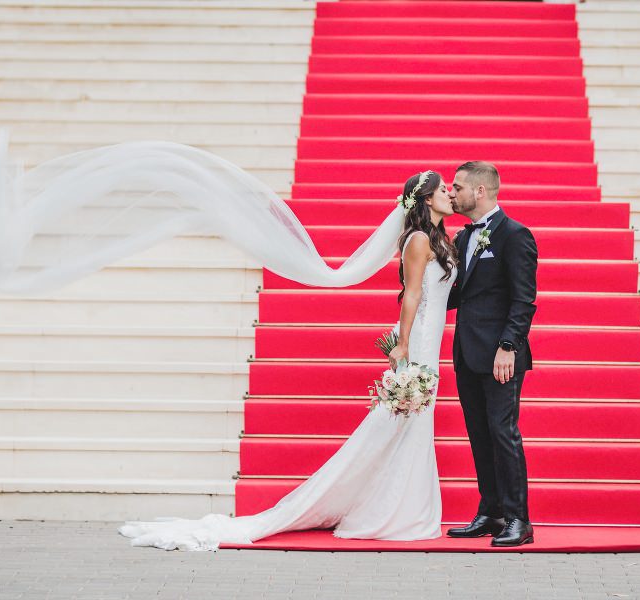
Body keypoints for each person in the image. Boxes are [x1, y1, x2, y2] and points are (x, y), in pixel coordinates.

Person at [117, 170, 458, 550]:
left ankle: (401, 507)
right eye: (444, 190)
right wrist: (404, 343)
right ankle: (390, 512)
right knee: (404, 422)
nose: (450, 193)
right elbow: (411, 295)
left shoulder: (439, 238)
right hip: (420, 340)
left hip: (432, 341)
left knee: (411, 424)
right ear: (426, 200)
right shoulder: (419, 239)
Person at [446, 162, 539, 547]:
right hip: (467, 352)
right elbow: (457, 295)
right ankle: (492, 511)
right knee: (479, 434)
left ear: (479, 192)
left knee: (503, 434)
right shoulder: (465, 238)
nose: (451, 193)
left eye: (457, 187)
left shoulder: (515, 236)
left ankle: (519, 519)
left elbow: (524, 299)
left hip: (502, 354)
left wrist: (508, 347)